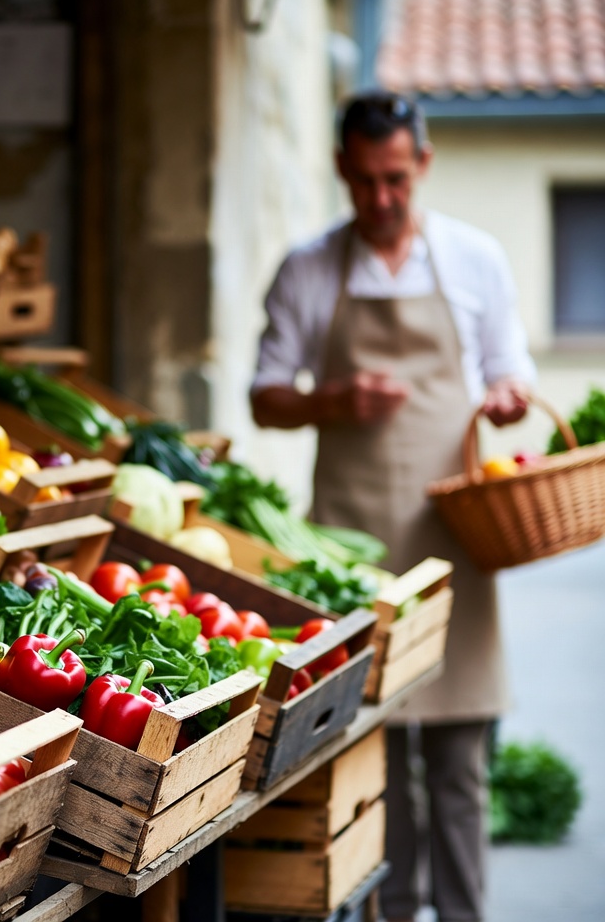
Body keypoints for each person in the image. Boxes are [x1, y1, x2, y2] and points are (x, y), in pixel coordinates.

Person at [249, 91, 536, 922]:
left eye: (396, 180)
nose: (380, 199)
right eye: (365, 181)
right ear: (342, 168)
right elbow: (267, 397)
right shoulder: (308, 267)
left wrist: (512, 396)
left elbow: (506, 370)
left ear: (424, 165)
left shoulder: (474, 259)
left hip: (454, 541)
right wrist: (332, 400)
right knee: (373, 751)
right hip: (352, 546)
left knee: (458, 758)